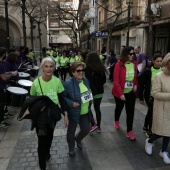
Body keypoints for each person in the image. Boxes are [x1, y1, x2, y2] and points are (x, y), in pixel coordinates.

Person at [30, 57, 68, 170]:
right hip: (40, 117)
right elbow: (31, 99)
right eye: (46, 66)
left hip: (52, 115)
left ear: (54, 67)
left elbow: (62, 99)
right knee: (41, 141)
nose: (49, 69)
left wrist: (65, 113)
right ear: (42, 68)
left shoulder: (57, 81)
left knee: (50, 137)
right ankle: (42, 166)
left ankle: (47, 152)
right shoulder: (36, 83)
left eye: (51, 66)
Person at [145, 52, 170, 164]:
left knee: (169, 132)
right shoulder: (158, 76)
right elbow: (155, 93)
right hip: (162, 108)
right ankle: (149, 141)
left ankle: (164, 151)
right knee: (160, 131)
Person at [63, 62, 92, 157]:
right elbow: (63, 98)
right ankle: (71, 147)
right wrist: (71, 103)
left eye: (82, 70)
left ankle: (78, 139)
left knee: (86, 129)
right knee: (71, 132)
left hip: (84, 111)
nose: (81, 72)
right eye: (78, 70)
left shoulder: (85, 80)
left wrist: (91, 97)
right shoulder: (68, 84)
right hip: (73, 113)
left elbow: (88, 91)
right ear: (73, 72)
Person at [112, 47, 138, 140]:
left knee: (130, 112)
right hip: (119, 92)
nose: (132, 56)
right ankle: (116, 121)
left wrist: (135, 84)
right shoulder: (119, 64)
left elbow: (135, 77)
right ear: (125, 54)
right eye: (130, 54)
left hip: (130, 92)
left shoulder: (134, 64)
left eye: (133, 54)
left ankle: (129, 131)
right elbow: (116, 81)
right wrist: (121, 94)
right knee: (119, 108)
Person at [139, 53, 162, 138]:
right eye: (157, 61)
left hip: (160, 96)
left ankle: (145, 127)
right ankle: (149, 130)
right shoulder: (148, 71)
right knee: (152, 112)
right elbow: (141, 85)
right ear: (153, 61)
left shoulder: (163, 71)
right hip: (150, 96)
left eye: (161, 61)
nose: (159, 63)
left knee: (151, 112)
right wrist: (141, 97)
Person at [85, 52, 106, 133]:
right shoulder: (101, 68)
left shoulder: (88, 69)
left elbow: (88, 82)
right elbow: (104, 80)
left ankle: (93, 124)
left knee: (87, 108)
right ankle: (99, 127)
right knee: (97, 108)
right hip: (100, 91)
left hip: (91, 92)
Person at [0, 48, 18, 128]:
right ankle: (1, 122)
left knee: (2, 104)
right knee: (1, 105)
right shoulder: (1, 64)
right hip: (1, 87)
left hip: (2, 86)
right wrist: (12, 74)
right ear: (3, 54)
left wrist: (10, 72)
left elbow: (3, 73)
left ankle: (3, 116)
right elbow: (3, 77)